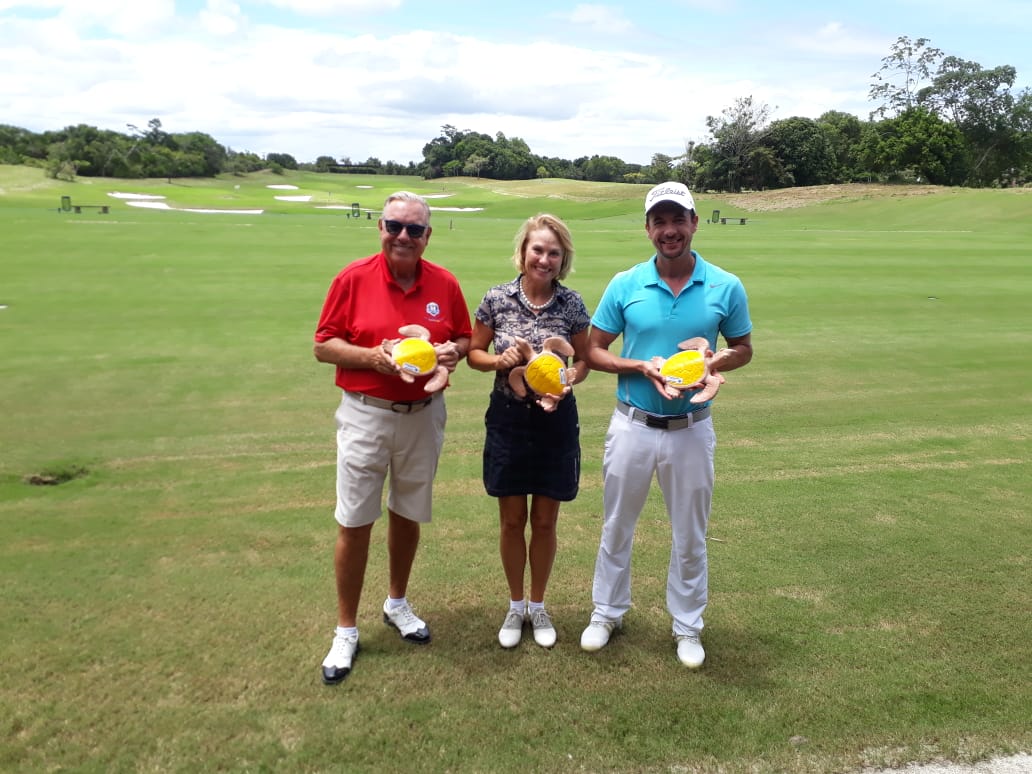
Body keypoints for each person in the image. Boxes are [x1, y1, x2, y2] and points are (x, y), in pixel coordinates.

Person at [579, 182, 753, 668]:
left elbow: (742, 348)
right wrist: (640, 367)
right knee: (617, 525)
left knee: (690, 533)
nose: (669, 230)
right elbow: (593, 350)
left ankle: (687, 626)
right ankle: (606, 612)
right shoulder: (625, 283)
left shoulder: (725, 285)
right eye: (660, 221)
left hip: (691, 428)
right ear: (648, 228)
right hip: (632, 424)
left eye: (678, 220)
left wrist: (714, 362)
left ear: (694, 223)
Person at [314, 191, 472, 685]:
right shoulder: (352, 278)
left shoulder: (443, 283)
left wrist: (451, 351)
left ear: (428, 235)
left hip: (423, 414)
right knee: (355, 519)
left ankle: (397, 602)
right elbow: (324, 345)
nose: (403, 236)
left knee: (408, 513)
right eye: (394, 226)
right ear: (380, 227)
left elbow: (465, 338)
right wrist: (374, 358)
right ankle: (345, 628)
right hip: (366, 413)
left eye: (414, 229)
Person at [467, 214, 591, 649]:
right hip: (509, 418)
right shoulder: (497, 298)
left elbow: (584, 359)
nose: (545, 259)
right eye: (538, 250)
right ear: (523, 252)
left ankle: (538, 606)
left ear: (563, 260)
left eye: (554, 253)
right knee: (511, 520)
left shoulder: (572, 304)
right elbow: (473, 353)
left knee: (544, 520)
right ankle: (515, 605)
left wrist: (569, 379)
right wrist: (500, 363)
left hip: (556, 421)